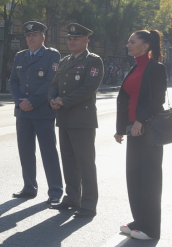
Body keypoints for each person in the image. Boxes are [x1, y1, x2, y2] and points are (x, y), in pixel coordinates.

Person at [115, 30, 168, 240]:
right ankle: (139, 220)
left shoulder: (156, 68)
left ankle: (151, 228)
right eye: (128, 41)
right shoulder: (135, 67)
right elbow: (126, 99)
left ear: (145, 46)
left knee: (150, 179)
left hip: (148, 129)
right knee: (134, 176)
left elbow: (157, 99)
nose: (128, 44)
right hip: (133, 130)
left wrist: (140, 119)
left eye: (132, 41)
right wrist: (121, 129)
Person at [48, 23, 104, 219]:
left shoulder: (93, 61)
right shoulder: (64, 61)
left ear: (86, 41)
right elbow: (54, 84)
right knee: (69, 161)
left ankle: (88, 205)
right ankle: (72, 198)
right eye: (70, 38)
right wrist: (52, 99)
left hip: (82, 119)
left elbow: (89, 88)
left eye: (76, 39)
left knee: (86, 163)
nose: (72, 41)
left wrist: (64, 101)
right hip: (64, 118)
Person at [8, 21, 64, 204]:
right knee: (25, 152)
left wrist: (31, 101)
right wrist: (20, 102)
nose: (31, 38)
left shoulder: (51, 55)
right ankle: (29, 187)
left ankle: (55, 190)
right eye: (28, 36)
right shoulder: (20, 56)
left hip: (42, 112)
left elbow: (51, 82)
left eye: (34, 35)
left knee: (48, 152)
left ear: (43, 37)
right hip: (23, 113)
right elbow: (13, 81)